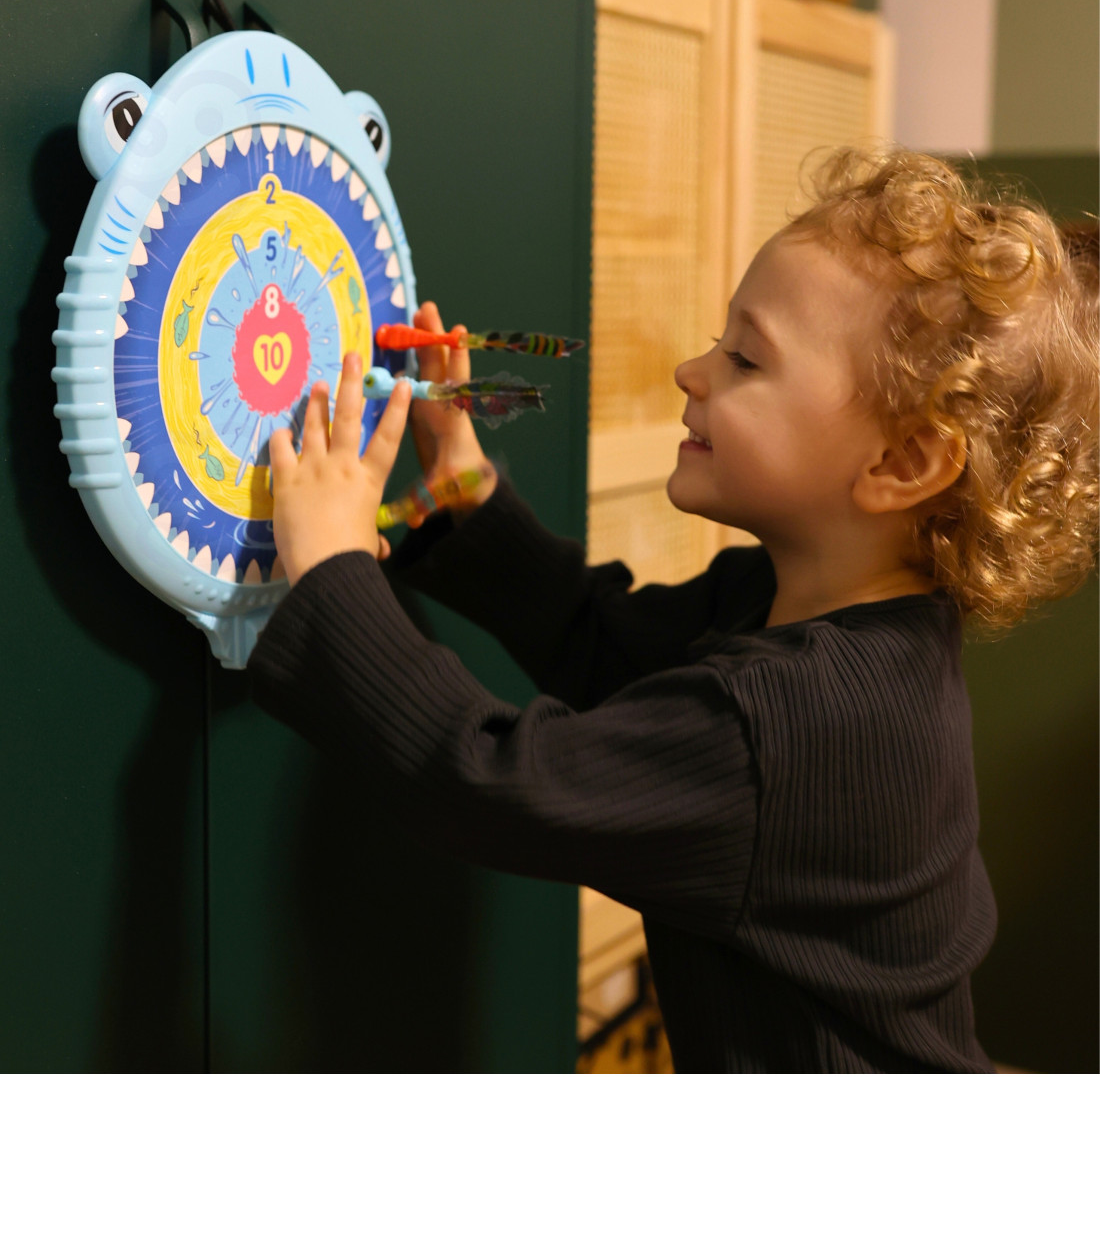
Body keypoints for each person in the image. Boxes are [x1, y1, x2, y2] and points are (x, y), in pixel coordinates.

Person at [248, 147, 1098, 1073]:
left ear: (901, 464)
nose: (693, 370)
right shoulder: (800, 606)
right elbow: (596, 639)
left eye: (746, 358)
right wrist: (459, 490)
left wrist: (332, 568)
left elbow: (487, 784)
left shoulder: (790, 723)